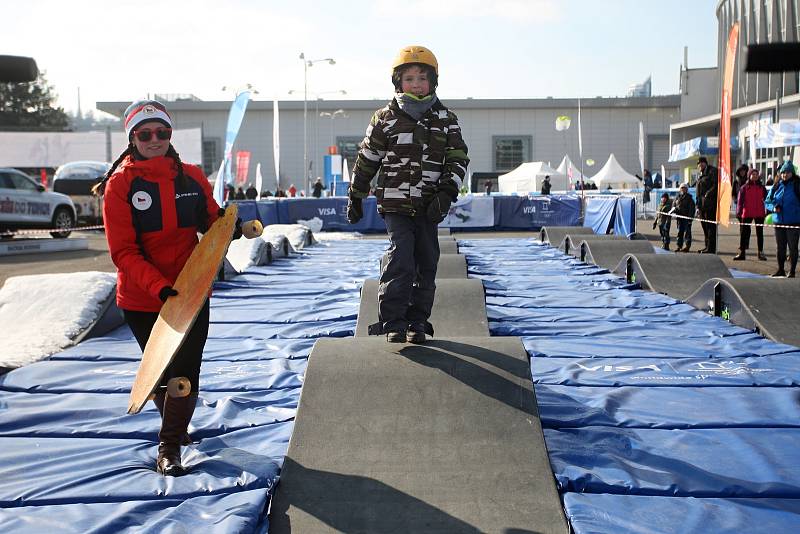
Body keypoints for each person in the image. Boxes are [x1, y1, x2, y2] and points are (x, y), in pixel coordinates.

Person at [92, 99, 228, 476]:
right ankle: (174, 425)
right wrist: (158, 287)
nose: (155, 139)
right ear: (133, 138)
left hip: (191, 295)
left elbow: (211, 222)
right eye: (146, 133)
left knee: (185, 374)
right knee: (161, 376)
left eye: (162, 132)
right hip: (141, 298)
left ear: (170, 135)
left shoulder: (192, 177)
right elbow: (123, 251)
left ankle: (169, 446)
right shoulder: (120, 185)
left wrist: (227, 223)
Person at [346, 44, 468, 343]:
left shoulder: (445, 118)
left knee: (426, 261)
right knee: (402, 257)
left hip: (430, 204)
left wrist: (446, 193)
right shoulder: (384, 118)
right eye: (409, 78)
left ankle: (417, 321)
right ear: (398, 82)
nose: (416, 84)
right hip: (395, 203)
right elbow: (368, 158)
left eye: (422, 78)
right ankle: (393, 321)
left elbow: (457, 158)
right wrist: (356, 194)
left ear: (433, 82)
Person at [766, 160, 800, 277]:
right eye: (783, 172)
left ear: (792, 173)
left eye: (787, 172)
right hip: (779, 222)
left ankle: (792, 271)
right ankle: (780, 269)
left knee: (793, 248)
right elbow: (767, 201)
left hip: (793, 222)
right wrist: (774, 207)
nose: (785, 175)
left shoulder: (797, 185)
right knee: (780, 248)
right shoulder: (776, 185)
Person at [734, 168, 767, 261]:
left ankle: (760, 252)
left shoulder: (762, 187)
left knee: (760, 233)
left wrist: (768, 211)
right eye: (753, 174)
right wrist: (739, 212)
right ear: (749, 176)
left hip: (759, 213)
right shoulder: (744, 187)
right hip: (747, 212)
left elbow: (767, 200)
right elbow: (740, 201)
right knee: (744, 233)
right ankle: (742, 253)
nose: (755, 176)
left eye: (756, 174)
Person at [695, 156, 718, 253]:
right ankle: (707, 246)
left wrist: (708, 193)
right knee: (704, 226)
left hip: (710, 205)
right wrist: (697, 205)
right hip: (702, 205)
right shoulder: (701, 174)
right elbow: (698, 191)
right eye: (699, 164)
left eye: (702, 163)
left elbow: (716, 185)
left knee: (710, 227)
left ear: (705, 163)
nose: (700, 165)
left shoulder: (712, 171)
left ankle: (711, 248)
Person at [673, 182, 695, 252]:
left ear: (687, 189)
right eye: (681, 188)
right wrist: (674, 210)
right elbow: (673, 205)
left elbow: (692, 209)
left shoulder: (689, 198)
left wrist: (690, 219)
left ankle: (687, 247)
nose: (683, 189)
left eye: (684, 188)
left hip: (686, 218)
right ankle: (679, 246)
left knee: (687, 233)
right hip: (679, 218)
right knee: (679, 232)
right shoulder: (677, 197)